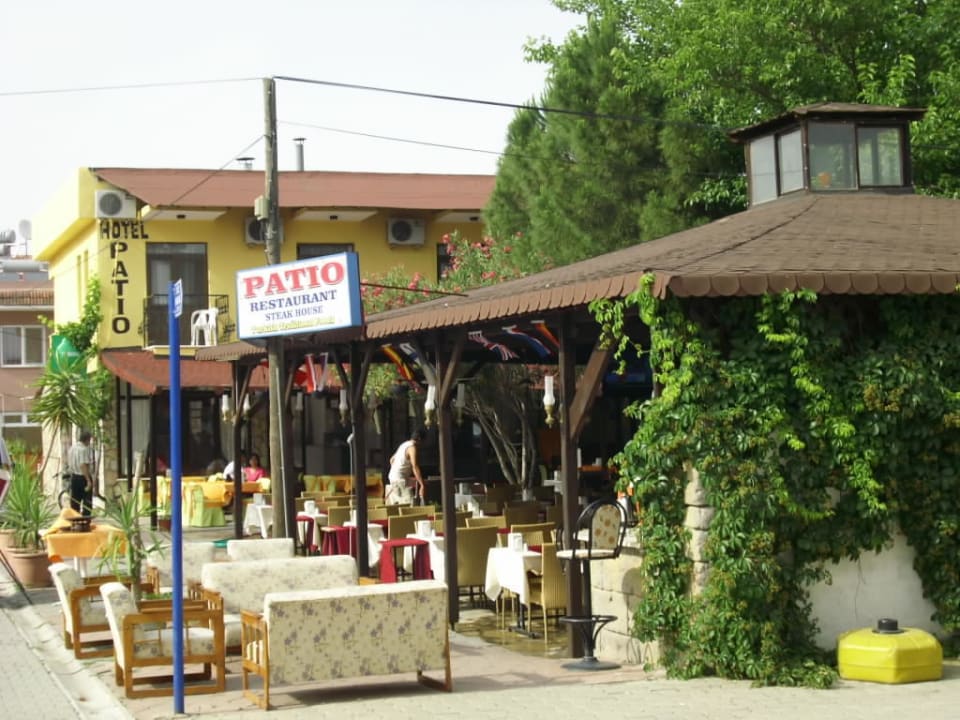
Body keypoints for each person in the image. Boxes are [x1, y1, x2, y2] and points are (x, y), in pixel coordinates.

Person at [386, 429, 425, 505]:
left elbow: (391, 460)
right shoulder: (412, 448)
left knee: (399, 506)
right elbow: (414, 466)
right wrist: (422, 484)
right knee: (410, 506)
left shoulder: (404, 444)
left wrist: (401, 473)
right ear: (420, 439)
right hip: (399, 480)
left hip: (393, 478)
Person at [67, 430, 95, 516]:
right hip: (83, 477)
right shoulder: (83, 449)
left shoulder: (72, 448)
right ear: (87, 440)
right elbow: (83, 465)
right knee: (87, 501)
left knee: (75, 501)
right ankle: (85, 520)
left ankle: (75, 520)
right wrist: (88, 480)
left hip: (74, 477)